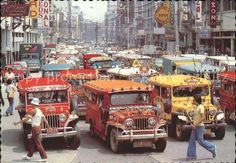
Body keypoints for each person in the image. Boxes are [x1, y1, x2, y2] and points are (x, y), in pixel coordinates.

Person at [14, 98, 50, 162]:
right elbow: (44, 119)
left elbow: (26, 119)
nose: (31, 105)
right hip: (38, 128)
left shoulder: (33, 111)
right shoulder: (39, 110)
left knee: (38, 143)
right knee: (31, 142)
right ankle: (29, 156)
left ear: (34, 104)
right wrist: (48, 126)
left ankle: (44, 157)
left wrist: (17, 122)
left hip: (35, 128)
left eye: (32, 104)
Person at [186, 94, 216, 160]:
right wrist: (192, 123)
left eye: (193, 100)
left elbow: (203, 117)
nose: (192, 101)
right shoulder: (196, 107)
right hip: (195, 127)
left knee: (201, 141)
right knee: (191, 141)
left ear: (196, 101)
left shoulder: (201, 107)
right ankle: (191, 156)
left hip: (199, 127)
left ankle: (212, 147)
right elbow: (196, 117)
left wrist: (195, 124)